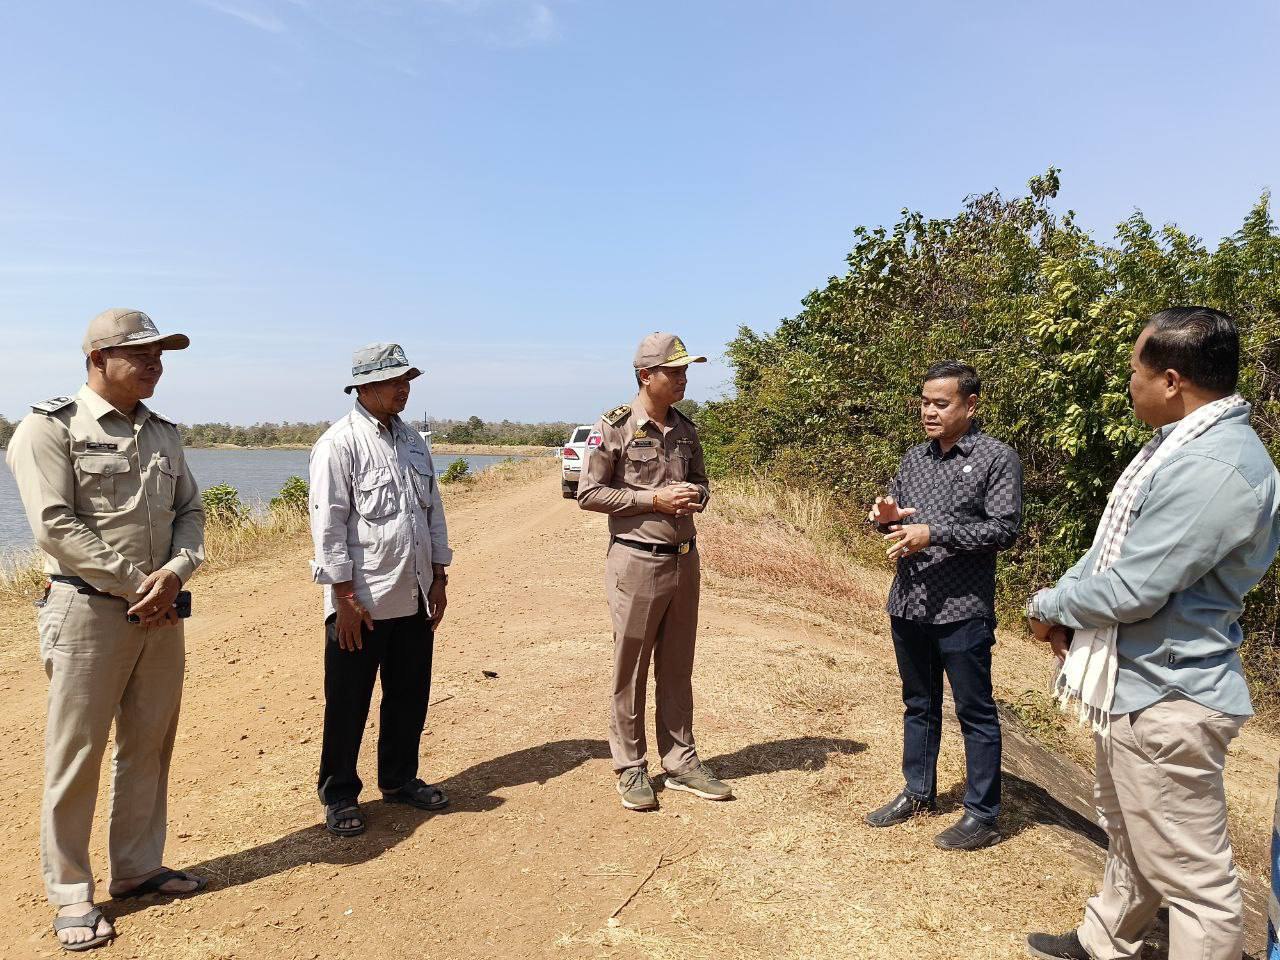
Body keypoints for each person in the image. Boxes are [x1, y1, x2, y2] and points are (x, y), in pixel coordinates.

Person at [1024, 307, 1280, 960]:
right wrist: (1063, 606)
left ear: (1170, 381)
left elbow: (1133, 588)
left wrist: (1049, 606)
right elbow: (1107, 555)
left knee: (1196, 882)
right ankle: (1105, 938)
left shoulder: (1216, 467)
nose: (1128, 384)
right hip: (1136, 680)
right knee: (1130, 829)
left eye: (1134, 371)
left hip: (1170, 692)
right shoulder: (1176, 447)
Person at [6, 308, 206, 952]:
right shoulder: (49, 427)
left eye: (160, 354)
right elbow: (54, 525)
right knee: (77, 753)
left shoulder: (164, 433)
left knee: (149, 743)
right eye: (142, 354)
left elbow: (191, 511)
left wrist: (175, 572)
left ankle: (138, 867)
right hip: (87, 611)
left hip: (161, 610)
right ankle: (70, 893)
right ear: (97, 358)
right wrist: (136, 583)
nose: (156, 365)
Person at [865, 361, 1022, 850]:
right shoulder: (915, 458)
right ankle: (918, 791)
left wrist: (933, 534)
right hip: (910, 601)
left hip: (962, 607)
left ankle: (983, 814)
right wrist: (884, 518)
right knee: (919, 702)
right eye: (924, 402)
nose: (928, 412)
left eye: (940, 403)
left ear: (969, 405)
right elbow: (899, 521)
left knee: (974, 709)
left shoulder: (996, 459)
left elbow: (1003, 530)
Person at [577, 332, 731, 811]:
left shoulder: (686, 429)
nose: (684, 379)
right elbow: (588, 493)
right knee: (632, 667)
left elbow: (703, 483)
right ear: (646, 375)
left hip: (685, 558)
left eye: (686, 371)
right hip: (636, 560)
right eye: (675, 371)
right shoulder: (614, 427)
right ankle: (630, 766)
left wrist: (695, 496)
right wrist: (653, 500)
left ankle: (681, 761)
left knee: (678, 665)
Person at [308, 342, 452, 837]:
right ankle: (340, 794)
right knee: (348, 703)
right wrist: (344, 598)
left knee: (409, 694)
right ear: (364, 387)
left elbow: (433, 513)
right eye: (393, 380)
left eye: (406, 379)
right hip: (363, 602)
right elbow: (329, 528)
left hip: (413, 592)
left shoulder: (413, 442)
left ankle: (399, 778)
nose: (403, 388)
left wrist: (439, 576)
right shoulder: (339, 444)